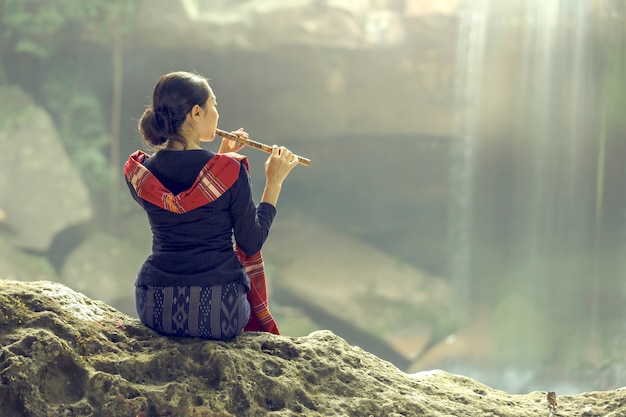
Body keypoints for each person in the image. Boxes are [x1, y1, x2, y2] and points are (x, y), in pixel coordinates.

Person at [124, 71, 298, 340]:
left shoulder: (141, 173)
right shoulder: (231, 171)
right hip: (219, 313)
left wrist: (219, 158)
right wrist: (273, 182)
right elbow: (250, 242)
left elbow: (190, 195)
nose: (217, 113)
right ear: (196, 113)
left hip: (155, 308)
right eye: (213, 105)